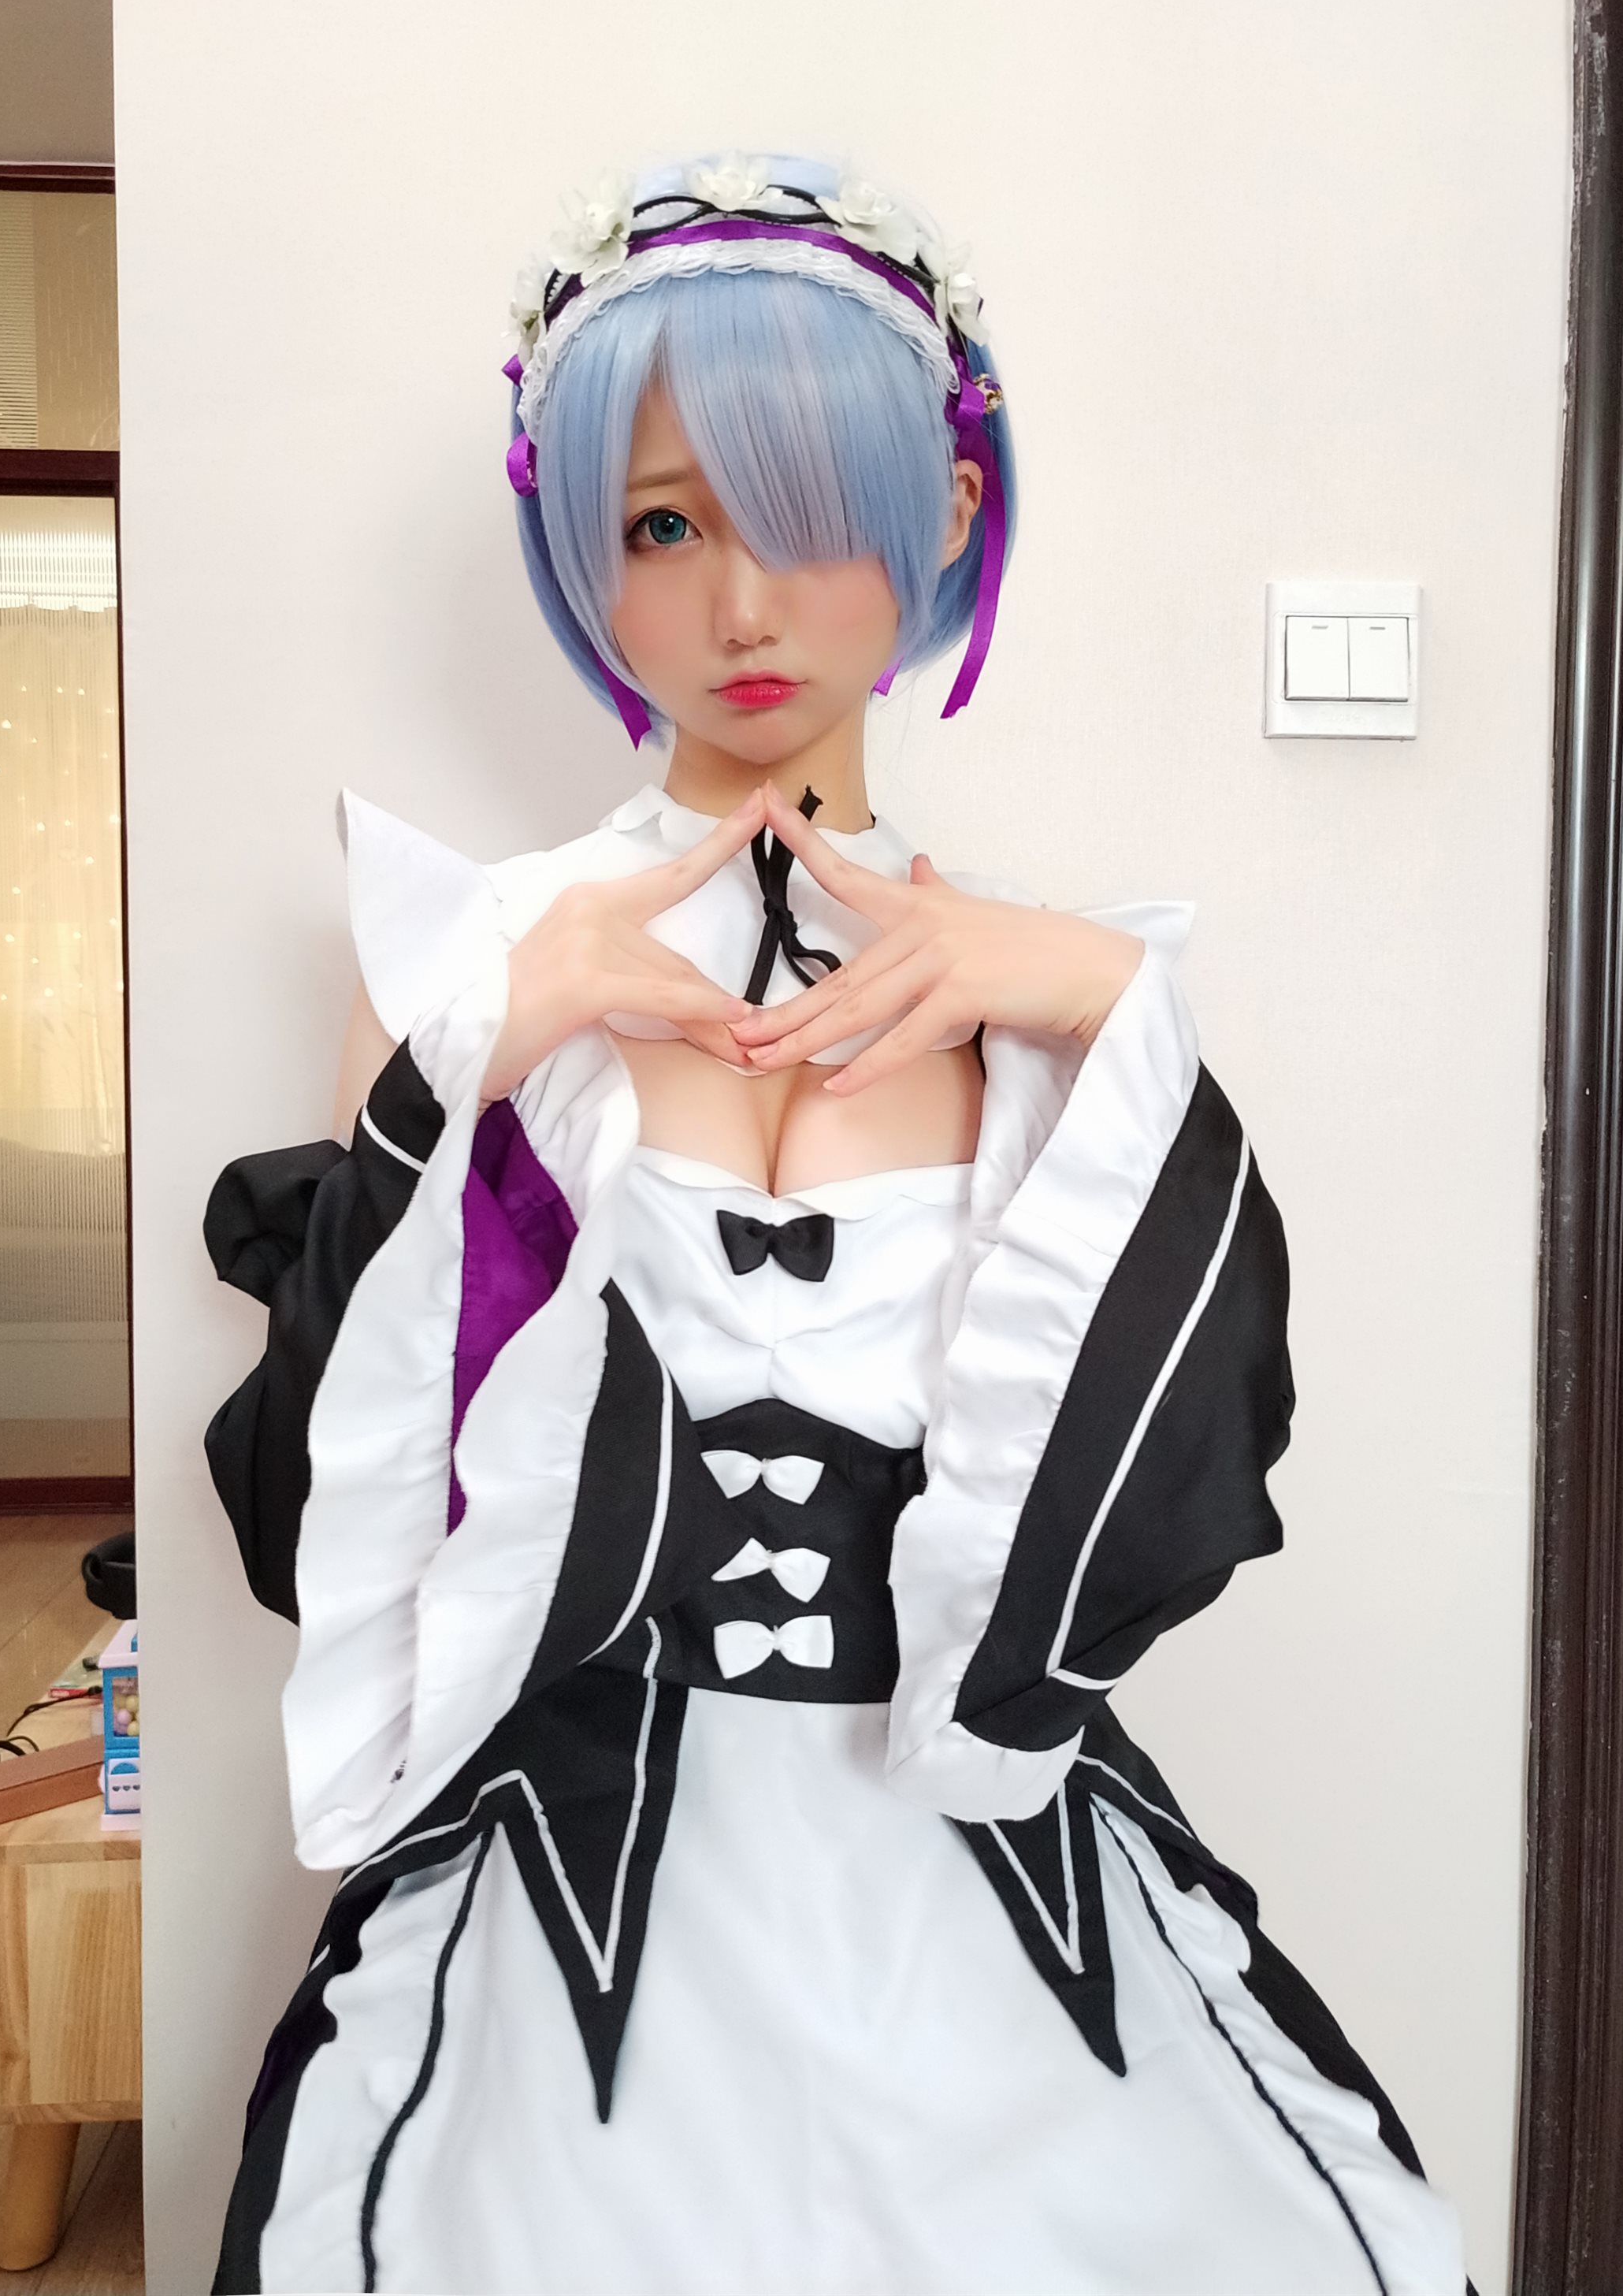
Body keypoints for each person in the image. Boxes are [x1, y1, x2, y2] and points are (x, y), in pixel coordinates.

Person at [202, 154, 1467, 2296]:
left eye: (804, 512)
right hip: (573, 1874)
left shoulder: (1054, 996)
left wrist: (1109, 1008)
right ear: (578, 551)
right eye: (663, 527)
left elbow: (1185, 1490)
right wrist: (478, 1063)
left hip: (980, 1864)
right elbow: (322, 1513)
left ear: (945, 512)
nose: (740, 610)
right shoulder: (466, 960)